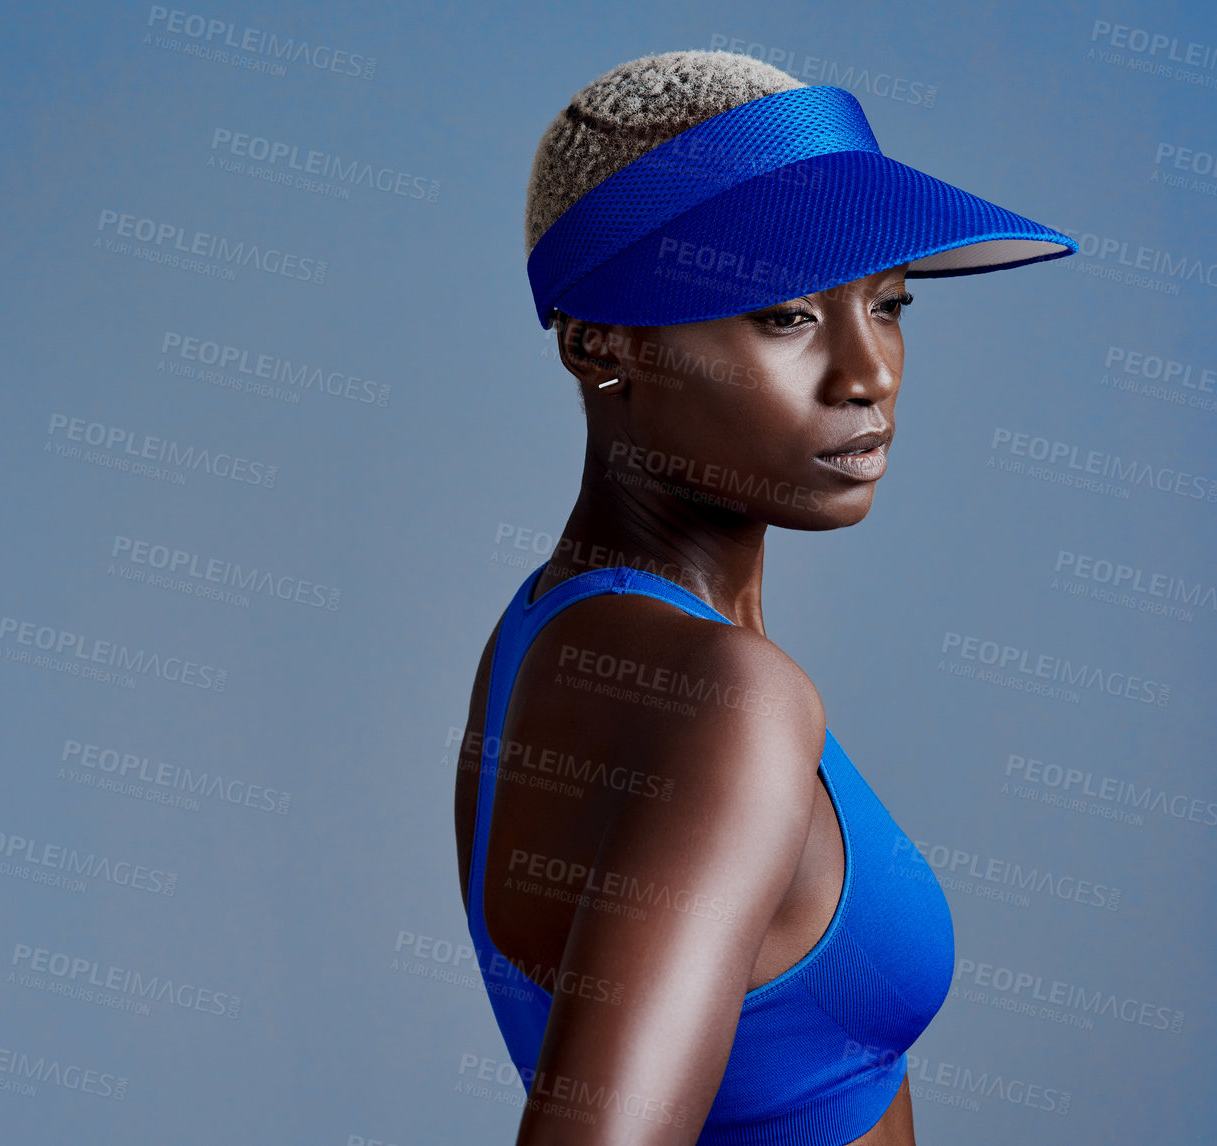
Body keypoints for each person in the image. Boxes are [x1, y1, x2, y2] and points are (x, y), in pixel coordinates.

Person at [454, 50, 1073, 1146]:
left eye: (889, 303)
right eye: (786, 315)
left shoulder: (552, 631)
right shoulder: (719, 698)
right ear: (603, 341)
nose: (867, 372)